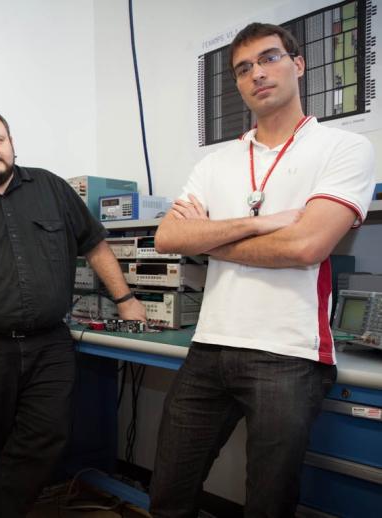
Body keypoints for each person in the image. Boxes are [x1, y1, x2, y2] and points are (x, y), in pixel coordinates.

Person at [150, 23, 375, 517]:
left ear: (298, 64)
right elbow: (168, 237)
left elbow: (306, 246)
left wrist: (214, 238)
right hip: (209, 347)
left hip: (288, 355)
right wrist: (263, 224)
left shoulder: (343, 149)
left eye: (269, 59)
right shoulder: (215, 163)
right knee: (168, 493)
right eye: (244, 68)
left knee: (268, 504)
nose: (257, 73)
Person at [0, 109, 146, 517]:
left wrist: (125, 299)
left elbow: (95, 244)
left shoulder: (52, 189)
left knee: (47, 437)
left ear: (12, 143)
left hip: (49, 345)